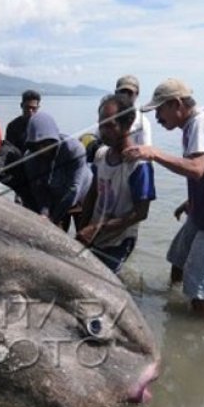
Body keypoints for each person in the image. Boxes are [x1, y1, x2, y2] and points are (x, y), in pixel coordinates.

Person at [123, 78, 204, 315]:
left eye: (159, 110)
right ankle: (173, 303)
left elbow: (197, 168)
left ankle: (196, 329)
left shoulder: (199, 123)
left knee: (200, 290)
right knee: (178, 257)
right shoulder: (192, 124)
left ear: (177, 104)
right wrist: (192, 200)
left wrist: (154, 153)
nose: (157, 117)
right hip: (203, 208)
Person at [77, 94, 156, 273]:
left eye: (109, 125)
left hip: (119, 240)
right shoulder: (101, 155)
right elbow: (92, 193)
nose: (102, 131)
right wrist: (83, 227)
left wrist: (98, 227)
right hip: (94, 234)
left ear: (127, 125)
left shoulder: (139, 166)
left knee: (105, 282)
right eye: (100, 124)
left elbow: (141, 213)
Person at [23, 111, 93, 228]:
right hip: (55, 197)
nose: (42, 148)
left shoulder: (74, 150)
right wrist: (45, 213)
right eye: (37, 144)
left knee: (84, 236)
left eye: (46, 143)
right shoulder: (30, 159)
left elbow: (73, 189)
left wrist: (54, 218)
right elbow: (38, 190)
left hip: (83, 197)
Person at [115, 75, 152, 146]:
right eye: (122, 92)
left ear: (137, 94)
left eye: (129, 93)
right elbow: (93, 135)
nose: (125, 96)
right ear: (116, 93)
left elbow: (146, 152)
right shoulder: (107, 115)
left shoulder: (142, 123)